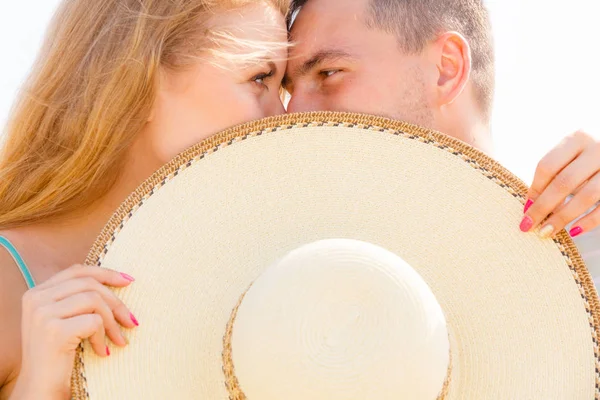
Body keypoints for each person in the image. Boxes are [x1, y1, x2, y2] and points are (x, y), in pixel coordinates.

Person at [0, 0, 289, 398]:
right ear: (142, 79)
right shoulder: (6, 282)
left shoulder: (246, 275)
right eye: (259, 78)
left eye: (281, 87)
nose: (280, 116)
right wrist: (40, 388)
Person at [283, 0, 600, 274]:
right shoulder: (297, 263)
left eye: (329, 73)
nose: (293, 113)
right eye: (289, 90)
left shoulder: (588, 243)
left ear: (446, 68)